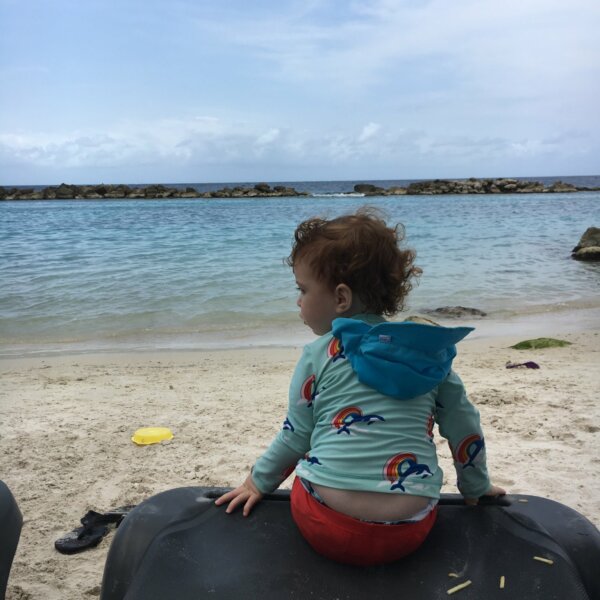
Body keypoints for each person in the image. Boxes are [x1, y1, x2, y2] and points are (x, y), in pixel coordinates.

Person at [215, 207, 505, 566]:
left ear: (340, 298)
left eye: (303, 289)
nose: (298, 301)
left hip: (324, 522)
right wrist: (476, 487)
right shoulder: (430, 354)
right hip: (409, 528)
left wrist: (256, 483)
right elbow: (464, 426)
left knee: (314, 457)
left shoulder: (317, 354)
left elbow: (296, 435)